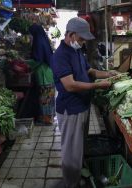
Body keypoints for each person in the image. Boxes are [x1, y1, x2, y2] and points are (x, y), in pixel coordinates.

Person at [51, 17, 116, 188]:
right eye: (81, 39)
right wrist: (97, 86)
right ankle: (71, 183)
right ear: (71, 35)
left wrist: (108, 74)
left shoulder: (77, 50)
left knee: (79, 147)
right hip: (70, 109)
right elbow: (70, 85)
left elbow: (90, 71)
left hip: (82, 106)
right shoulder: (60, 56)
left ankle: (77, 177)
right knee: (71, 151)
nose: (82, 42)